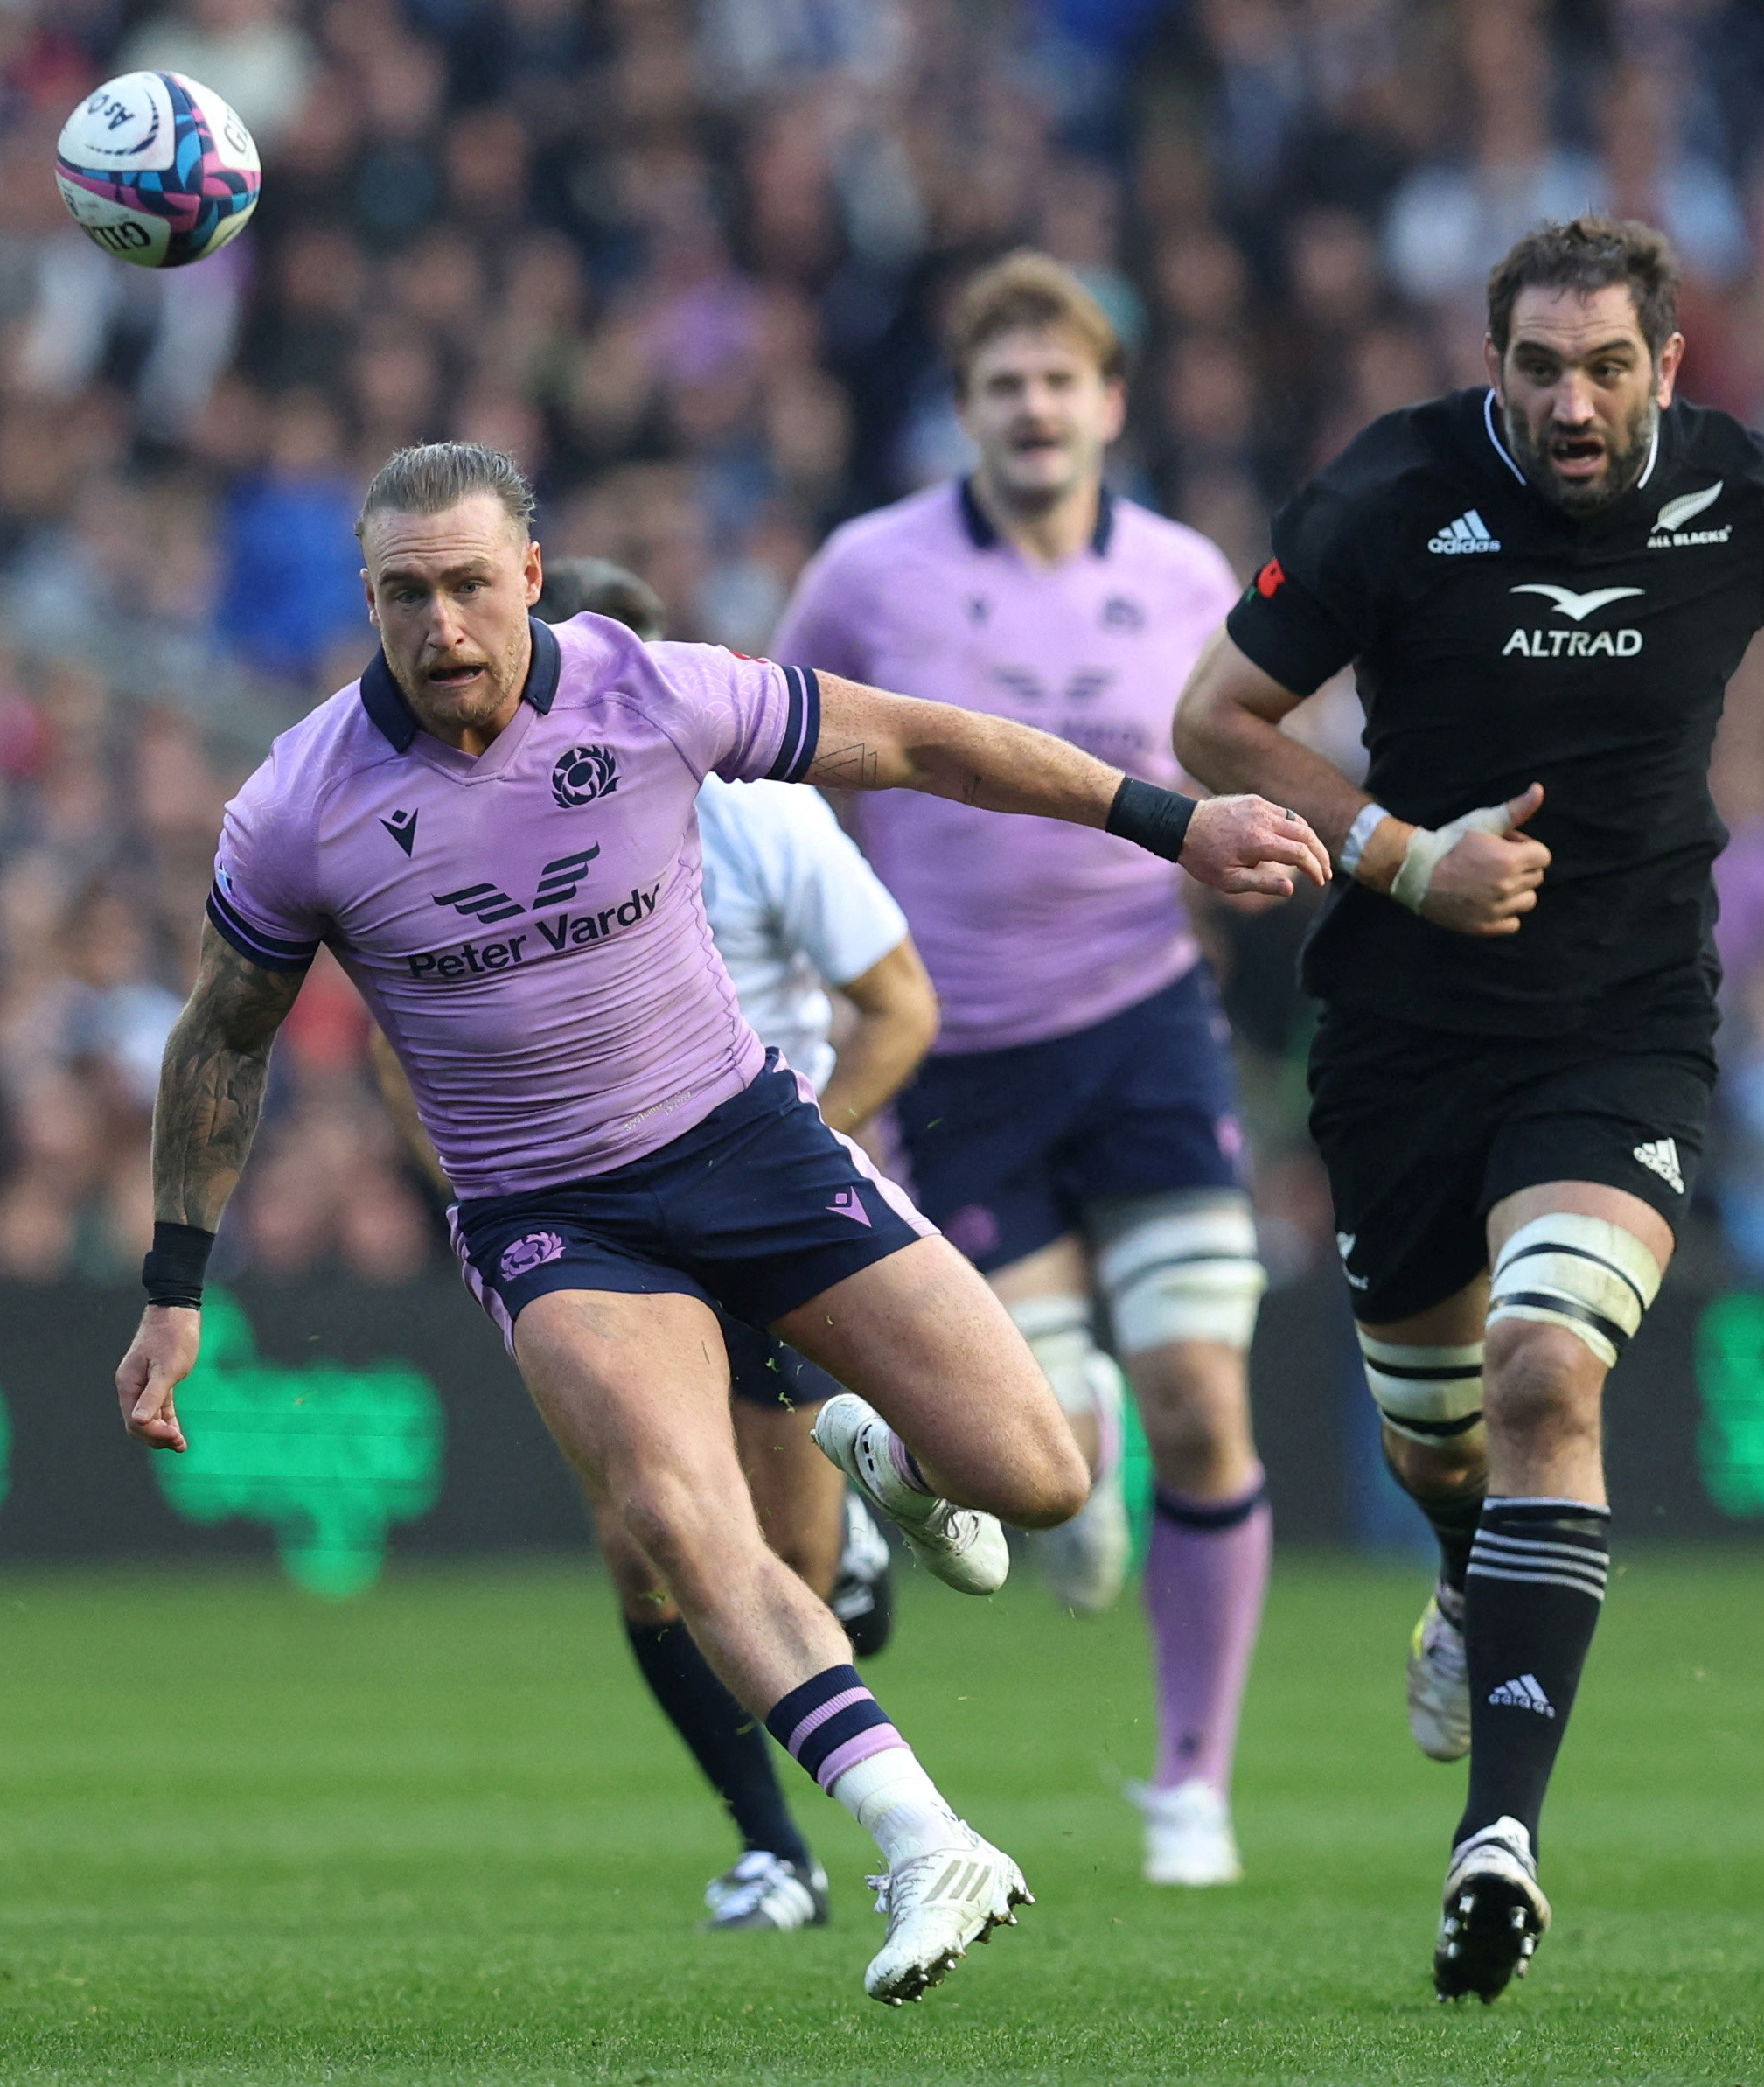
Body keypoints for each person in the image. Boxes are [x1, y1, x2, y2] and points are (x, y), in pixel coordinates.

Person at [113, 442, 1327, 2006]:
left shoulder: (651, 692)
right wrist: (174, 1283)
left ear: (530, 576)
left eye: (470, 583)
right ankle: (922, 1837)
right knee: (680, 1519)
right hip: (551, 1212)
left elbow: (919, 743)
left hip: (747, 1138)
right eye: (405, 593)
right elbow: (223, 1032)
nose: (443, 623)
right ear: (369, 600)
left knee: (1040, 1474)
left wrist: (1177, 824)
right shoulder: (299, 805)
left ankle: (880, 1450)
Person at [1172, 217, 1764, 2000]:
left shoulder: (1739, 489)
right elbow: (1216, 716)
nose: (1569, 403)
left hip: (1621, 1023)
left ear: (1665, 367)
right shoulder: (1389, 494)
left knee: (1542, 1368)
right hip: (1399, 1036)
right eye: (1536, 367)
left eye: (1604, 368)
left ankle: (1494, 1837)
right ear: (1488, 362)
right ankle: (1465, 1578)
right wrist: (1393, 852)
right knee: (1439, 1442)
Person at [772, 251, 1273, 1890]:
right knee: (1035, 1460)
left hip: (1143, 1019)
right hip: (965, 1056)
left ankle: (1191, 1783)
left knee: (1207, 1393)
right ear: (966, 412)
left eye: (1062, 380)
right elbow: (786, 772)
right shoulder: (870, 572)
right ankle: (1084, 1433)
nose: (1036, 408)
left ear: (1111, 402)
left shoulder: (1194, 571)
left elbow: (1255, 749)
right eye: (1005, 385)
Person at [536, 555, 938, 1933]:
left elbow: (899, 1008)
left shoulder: (767, 822)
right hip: (601, 1216)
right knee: (643, 1538)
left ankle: (864, 1537)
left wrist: (784, 1155)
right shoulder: (506, 834)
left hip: (759, 1200)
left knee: (789, 1562)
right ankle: (778, 1846)